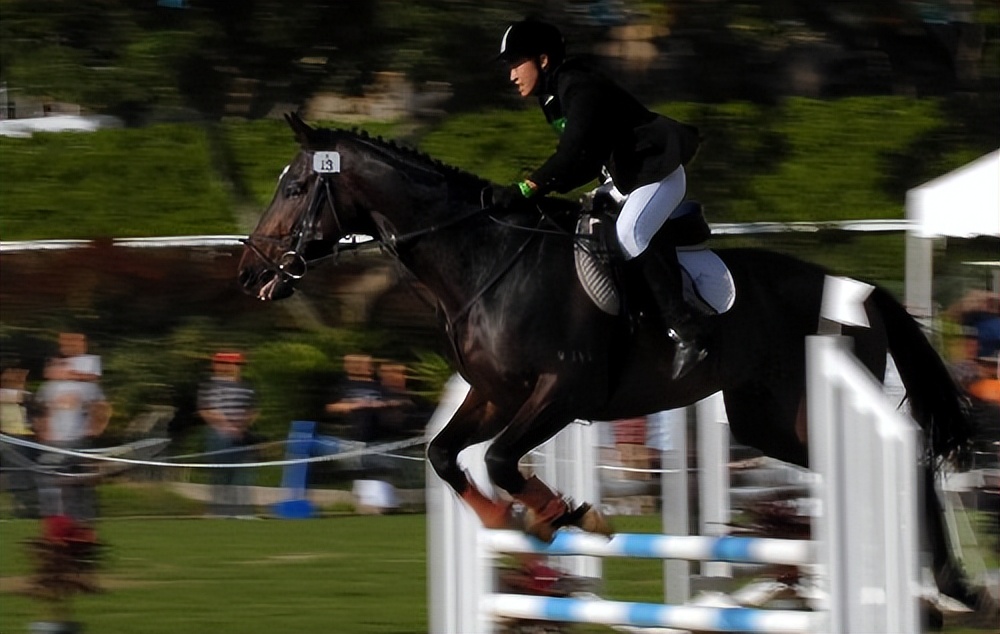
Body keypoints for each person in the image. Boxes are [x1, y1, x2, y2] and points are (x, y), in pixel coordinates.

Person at [491, 18, 706, 379]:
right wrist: (542, 192)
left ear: (543, 60)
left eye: (516, 64)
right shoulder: (553, 95)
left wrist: (528, 187)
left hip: (657, 174)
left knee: (630, 236)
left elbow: (571, 151)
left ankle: (687, 331)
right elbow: (585, 161)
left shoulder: (578, 85)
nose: (511, 75)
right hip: (626, 178)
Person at [34, 354, 111, 522]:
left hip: (77, 441)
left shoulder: (86, 387)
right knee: (49, 476)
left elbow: (102, 407)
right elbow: (43, 412)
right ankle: (56, 515)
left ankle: (81, 516)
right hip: (54, 443)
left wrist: (96, 427)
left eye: (58, 366)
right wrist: (43, 431)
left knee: (77, 479)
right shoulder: (48, 388)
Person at [197, 351, 258, 518]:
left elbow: (252, 410)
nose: (233, 368)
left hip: (241, 434)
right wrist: (226, 427)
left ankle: (242, 511)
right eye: (228, 364)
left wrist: (242, 427)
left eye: (236, 365)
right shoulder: (209, 385)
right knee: (221, 472)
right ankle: (218, 510)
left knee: (242, 472)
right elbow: (206, 410)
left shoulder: (246, 385)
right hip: (218, 434)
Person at [1, 366, 40, 517]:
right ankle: (26, 505)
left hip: (28, 438)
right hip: (11, 438)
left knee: (27, 471)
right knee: (20, 470)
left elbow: (30, 401)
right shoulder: (10, 395)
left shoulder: (28, 397)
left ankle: (29, 504)